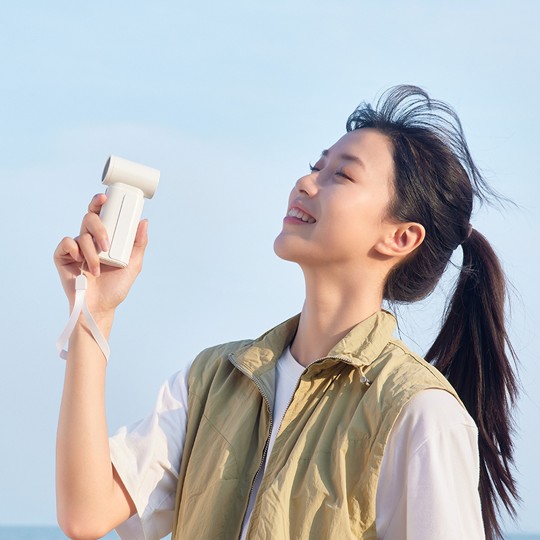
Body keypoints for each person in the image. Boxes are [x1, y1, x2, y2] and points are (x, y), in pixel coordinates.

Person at [55, 85, 519, 540]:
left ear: (401, 237)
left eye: (342, 175)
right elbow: (85, 514)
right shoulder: (213, 379)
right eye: (316, 166)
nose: (305, 182)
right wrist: (93, 312)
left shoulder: (418, 411)